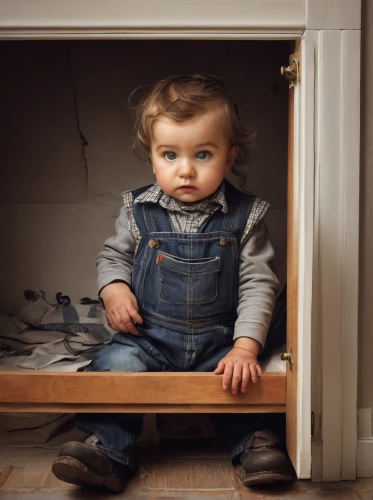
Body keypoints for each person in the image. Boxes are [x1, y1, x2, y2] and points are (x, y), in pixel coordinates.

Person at [51, 74, 294, 493]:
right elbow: (112, 257)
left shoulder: (246, 216)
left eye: (203, 154)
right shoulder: (138, 210)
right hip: (148, 337)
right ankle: (107, 450)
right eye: (169, 155)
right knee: (115, 369)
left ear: (230, 156)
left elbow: (259, 282)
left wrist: (245, 346)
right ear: (152, 156)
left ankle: (256, 442)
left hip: (220, 339)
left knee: (245, 377)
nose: (185, 170)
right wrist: (115, 290)